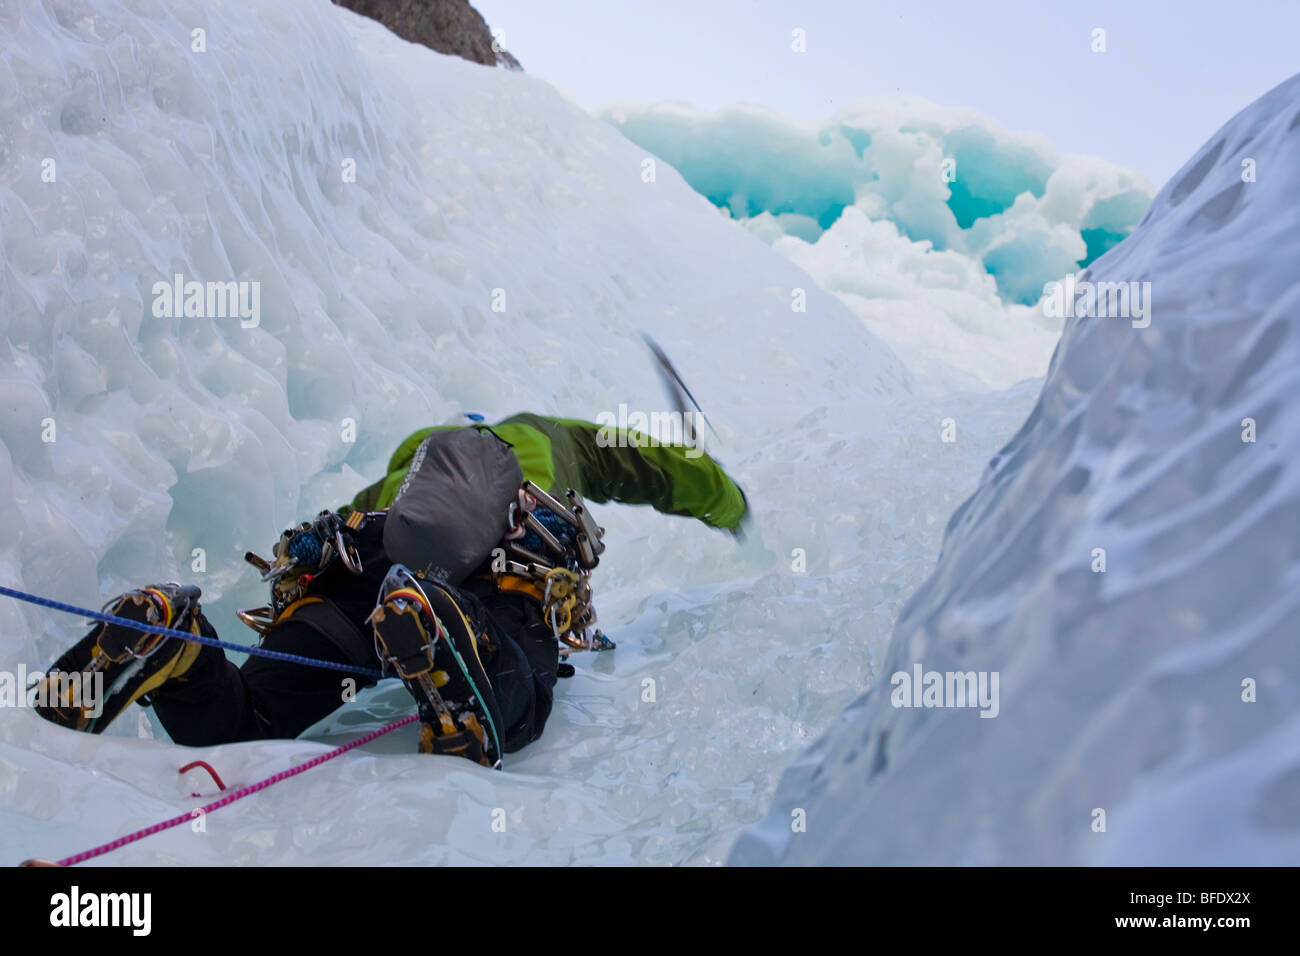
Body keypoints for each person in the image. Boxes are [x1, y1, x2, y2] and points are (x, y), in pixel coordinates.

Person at [34, 412, 747, 767]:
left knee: (246, 720)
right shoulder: (545, 435)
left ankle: (178, 642)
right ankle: (441, 623)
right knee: (518, 698)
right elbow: (652, 465)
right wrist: (727, 502)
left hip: (362, 554)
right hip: (510, 559)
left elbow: (360, 538)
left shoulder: (412, 463)